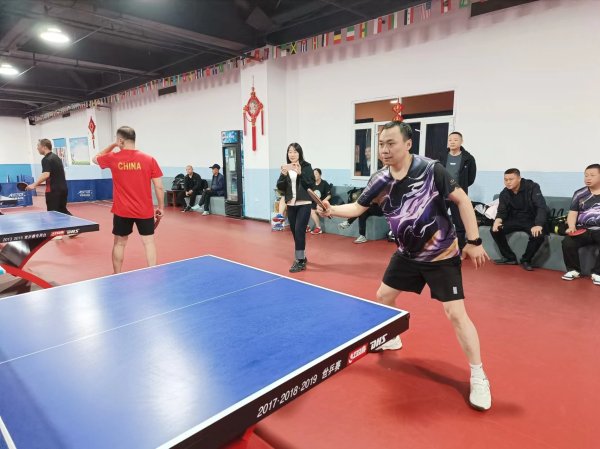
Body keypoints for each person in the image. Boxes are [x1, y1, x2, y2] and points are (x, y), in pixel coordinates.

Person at [318, 121, 492, 411]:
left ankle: (478, 375)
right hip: (407, 254)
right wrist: (332, 209)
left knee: (456, 314)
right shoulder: (380, 179)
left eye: (391, 143)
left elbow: (462, 200)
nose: (385, 150)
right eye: (381, 144)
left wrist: (473, 241)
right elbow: (358, 208)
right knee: (383, 296)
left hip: (441, 254)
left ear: (408, 144)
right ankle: (393, 339)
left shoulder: (431, 169)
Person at [92, 126, 164, 274]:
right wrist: (161, 207)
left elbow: (95, 158)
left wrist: (113, 145)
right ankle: (153, 273)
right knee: (149, 243)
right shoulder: (149, 159)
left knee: (119, 244)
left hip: (122, 210)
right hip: (144, 210)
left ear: (120, 140)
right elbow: (159, 186)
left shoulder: (113, 157)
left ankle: (117, 274)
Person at [490, 168, 548, 271]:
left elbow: (541, 206)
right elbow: (502, 211)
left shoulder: (532, 187)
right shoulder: (504, 193)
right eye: (505, 180)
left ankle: (526, 260)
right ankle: (509, 258)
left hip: (531, 219)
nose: (508, 182)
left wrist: (538, 224)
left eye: (511, 179)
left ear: (519, 178)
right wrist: (497, 221)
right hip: (514, 219)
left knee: (539, 235)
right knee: (495, 230)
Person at [276, 143, 315, 273]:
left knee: (299, 231)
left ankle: (300, 261)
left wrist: (300, 174)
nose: (292, 154)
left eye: (295, 152)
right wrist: (283, 175)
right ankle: (301, 255)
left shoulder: (306, 166)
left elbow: (311, 184)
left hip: (304, 203)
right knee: (294, 231)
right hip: (291, 204)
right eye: (290, 152)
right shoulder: (286, 167)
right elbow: (280, 187)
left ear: (299, 153)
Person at [436, 132, 476, 249]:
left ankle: (460, 248)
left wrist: (460, 188)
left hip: (458, 196)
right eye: (450, 140)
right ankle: (439, 247)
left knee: (459, 224)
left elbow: (470, 178)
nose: (452, 142)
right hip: (442, 194)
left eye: (455, 140)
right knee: (439, 222)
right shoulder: (441, 156)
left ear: (461, 142)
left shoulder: (468, 158)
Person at [561, 163, 600, 285]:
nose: (588, 178)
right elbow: (573, 213)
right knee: (567, 242)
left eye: (592, 175)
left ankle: (597, 273)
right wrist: (572, 226)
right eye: (586, 175)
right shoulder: (579, 194)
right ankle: (573, 270)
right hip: (583, 229)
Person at [26, 139, 72, 216]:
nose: (37, 148)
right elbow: (63, 172)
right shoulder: (56, 157)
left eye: (38, 146)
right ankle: (77, 223)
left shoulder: (46, 159)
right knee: (62, 211)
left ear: (44, 147)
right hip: (63, 189)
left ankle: (77, 223)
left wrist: (34, 185)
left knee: (54, 214)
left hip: (53, 191)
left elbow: (46, 174)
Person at [308, 168, 331, 234]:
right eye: (313, 174)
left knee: (312, 211)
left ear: (320, 175)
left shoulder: (324, 183)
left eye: (316, 174)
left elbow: (329, 196)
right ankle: (307, 226)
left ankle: (318, 228)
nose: (314, 176)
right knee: (304, 208)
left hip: (322, 204)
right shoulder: (312, 184)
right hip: (314, 203)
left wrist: (322, 202)